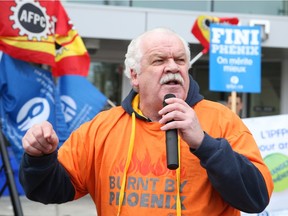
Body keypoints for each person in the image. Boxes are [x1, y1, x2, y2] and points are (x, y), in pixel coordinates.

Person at [19, 28, 273, 216]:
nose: (172, 67)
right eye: (159, 60)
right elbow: (49, 191)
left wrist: (204, 144)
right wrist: (40, 158)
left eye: (180, 60)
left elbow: (256, 198)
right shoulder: (102, 128)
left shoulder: (222, 120)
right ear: (134, 76)